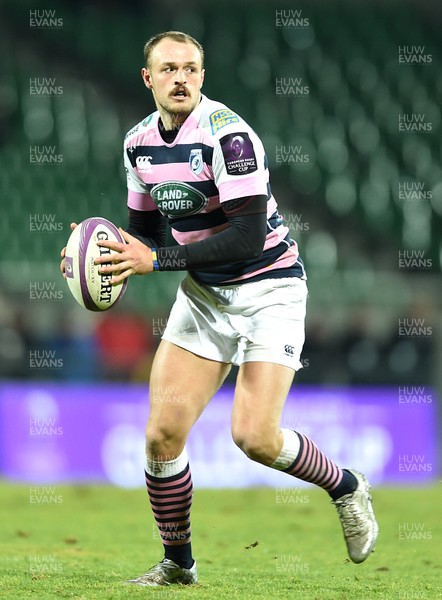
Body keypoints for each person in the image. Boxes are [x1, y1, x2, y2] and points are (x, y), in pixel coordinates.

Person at [60, 31, 378, 587]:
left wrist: (153, 260)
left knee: (254, 438)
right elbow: (145, 233)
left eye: (190, 68)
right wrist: (104, 251)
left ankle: (346, 485)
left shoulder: (228, 138)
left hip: (270, 289)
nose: (180, 77)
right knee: (161, 436)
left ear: (202, 77)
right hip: (206, 295)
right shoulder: (138, 144)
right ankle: (178, 564)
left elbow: (249, 237)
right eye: (168, 68)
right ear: (148, 78)